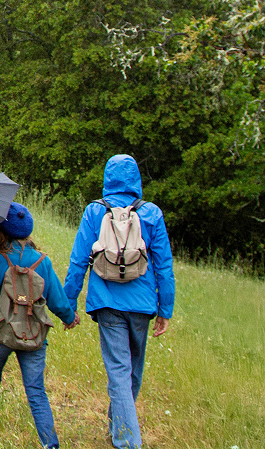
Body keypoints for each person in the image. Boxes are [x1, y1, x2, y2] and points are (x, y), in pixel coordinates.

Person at [63, 155, 175, 449]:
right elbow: (164, 266)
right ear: (136, 178)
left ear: (107, 178)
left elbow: (78, 261)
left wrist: (68, 304)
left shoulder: (94, 211)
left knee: (119, 372)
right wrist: (165, 309)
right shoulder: (151, 213)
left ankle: (124, 438)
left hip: (107, 301)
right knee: (131, 373)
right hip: (142, 303)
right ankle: (124, 437)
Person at [0, 203, 77, 449]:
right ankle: (50, 444)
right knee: (36, 390)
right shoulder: (43, 261)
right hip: (34, 334)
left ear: (2, 230)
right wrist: (70, 318)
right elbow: (58, 300)